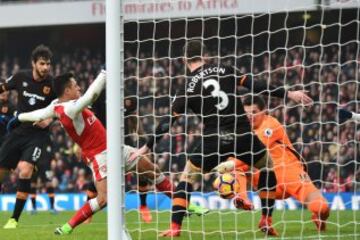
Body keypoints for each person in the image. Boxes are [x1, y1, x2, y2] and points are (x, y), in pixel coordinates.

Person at [130, 40, 313, 237]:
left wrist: (147, 147)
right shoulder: (225, 69)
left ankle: (175, 227)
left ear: (184, 60)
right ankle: (266, 220)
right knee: (267, 166)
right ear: (205, 55)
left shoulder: (187, 88)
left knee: (188, 176)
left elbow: (168, 122)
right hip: (242, 134)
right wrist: (288, 93)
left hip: (214, 139)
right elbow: (256, 85)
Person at [9, 71, 174, 235]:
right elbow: (90, 96)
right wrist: (104, 73)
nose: (79, 88)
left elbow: (40, 113)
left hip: (116, 148)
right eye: (75, 86)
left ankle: (183, 203)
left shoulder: (56, 105)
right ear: (67, 91)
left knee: (152, 171)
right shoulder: (70, 109)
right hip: (99, 156)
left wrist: (19, 118)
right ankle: (68, 227)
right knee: (103, 199)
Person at [231, 95, 329, 231]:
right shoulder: (240, 130)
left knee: (321, 207)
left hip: (288, 173)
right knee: (233, 162)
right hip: (264, 179)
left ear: (263, 111)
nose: (250, 116)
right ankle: (246, 201)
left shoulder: (270, 124)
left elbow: (253, 151)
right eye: (246, 113)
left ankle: (319, 217)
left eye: (254, 112)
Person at [0, 45, 56, 229]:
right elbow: (3, 87)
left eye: (48, 64)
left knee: (25, 170)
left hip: (37, 136)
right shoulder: (20, 77)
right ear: (34, 64)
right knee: (2, 172)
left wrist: (48, 120)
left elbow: (60, 108)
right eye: (42, 64)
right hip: (17, 132)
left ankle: (14, 219)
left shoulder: (52, 84)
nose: (46, 67)